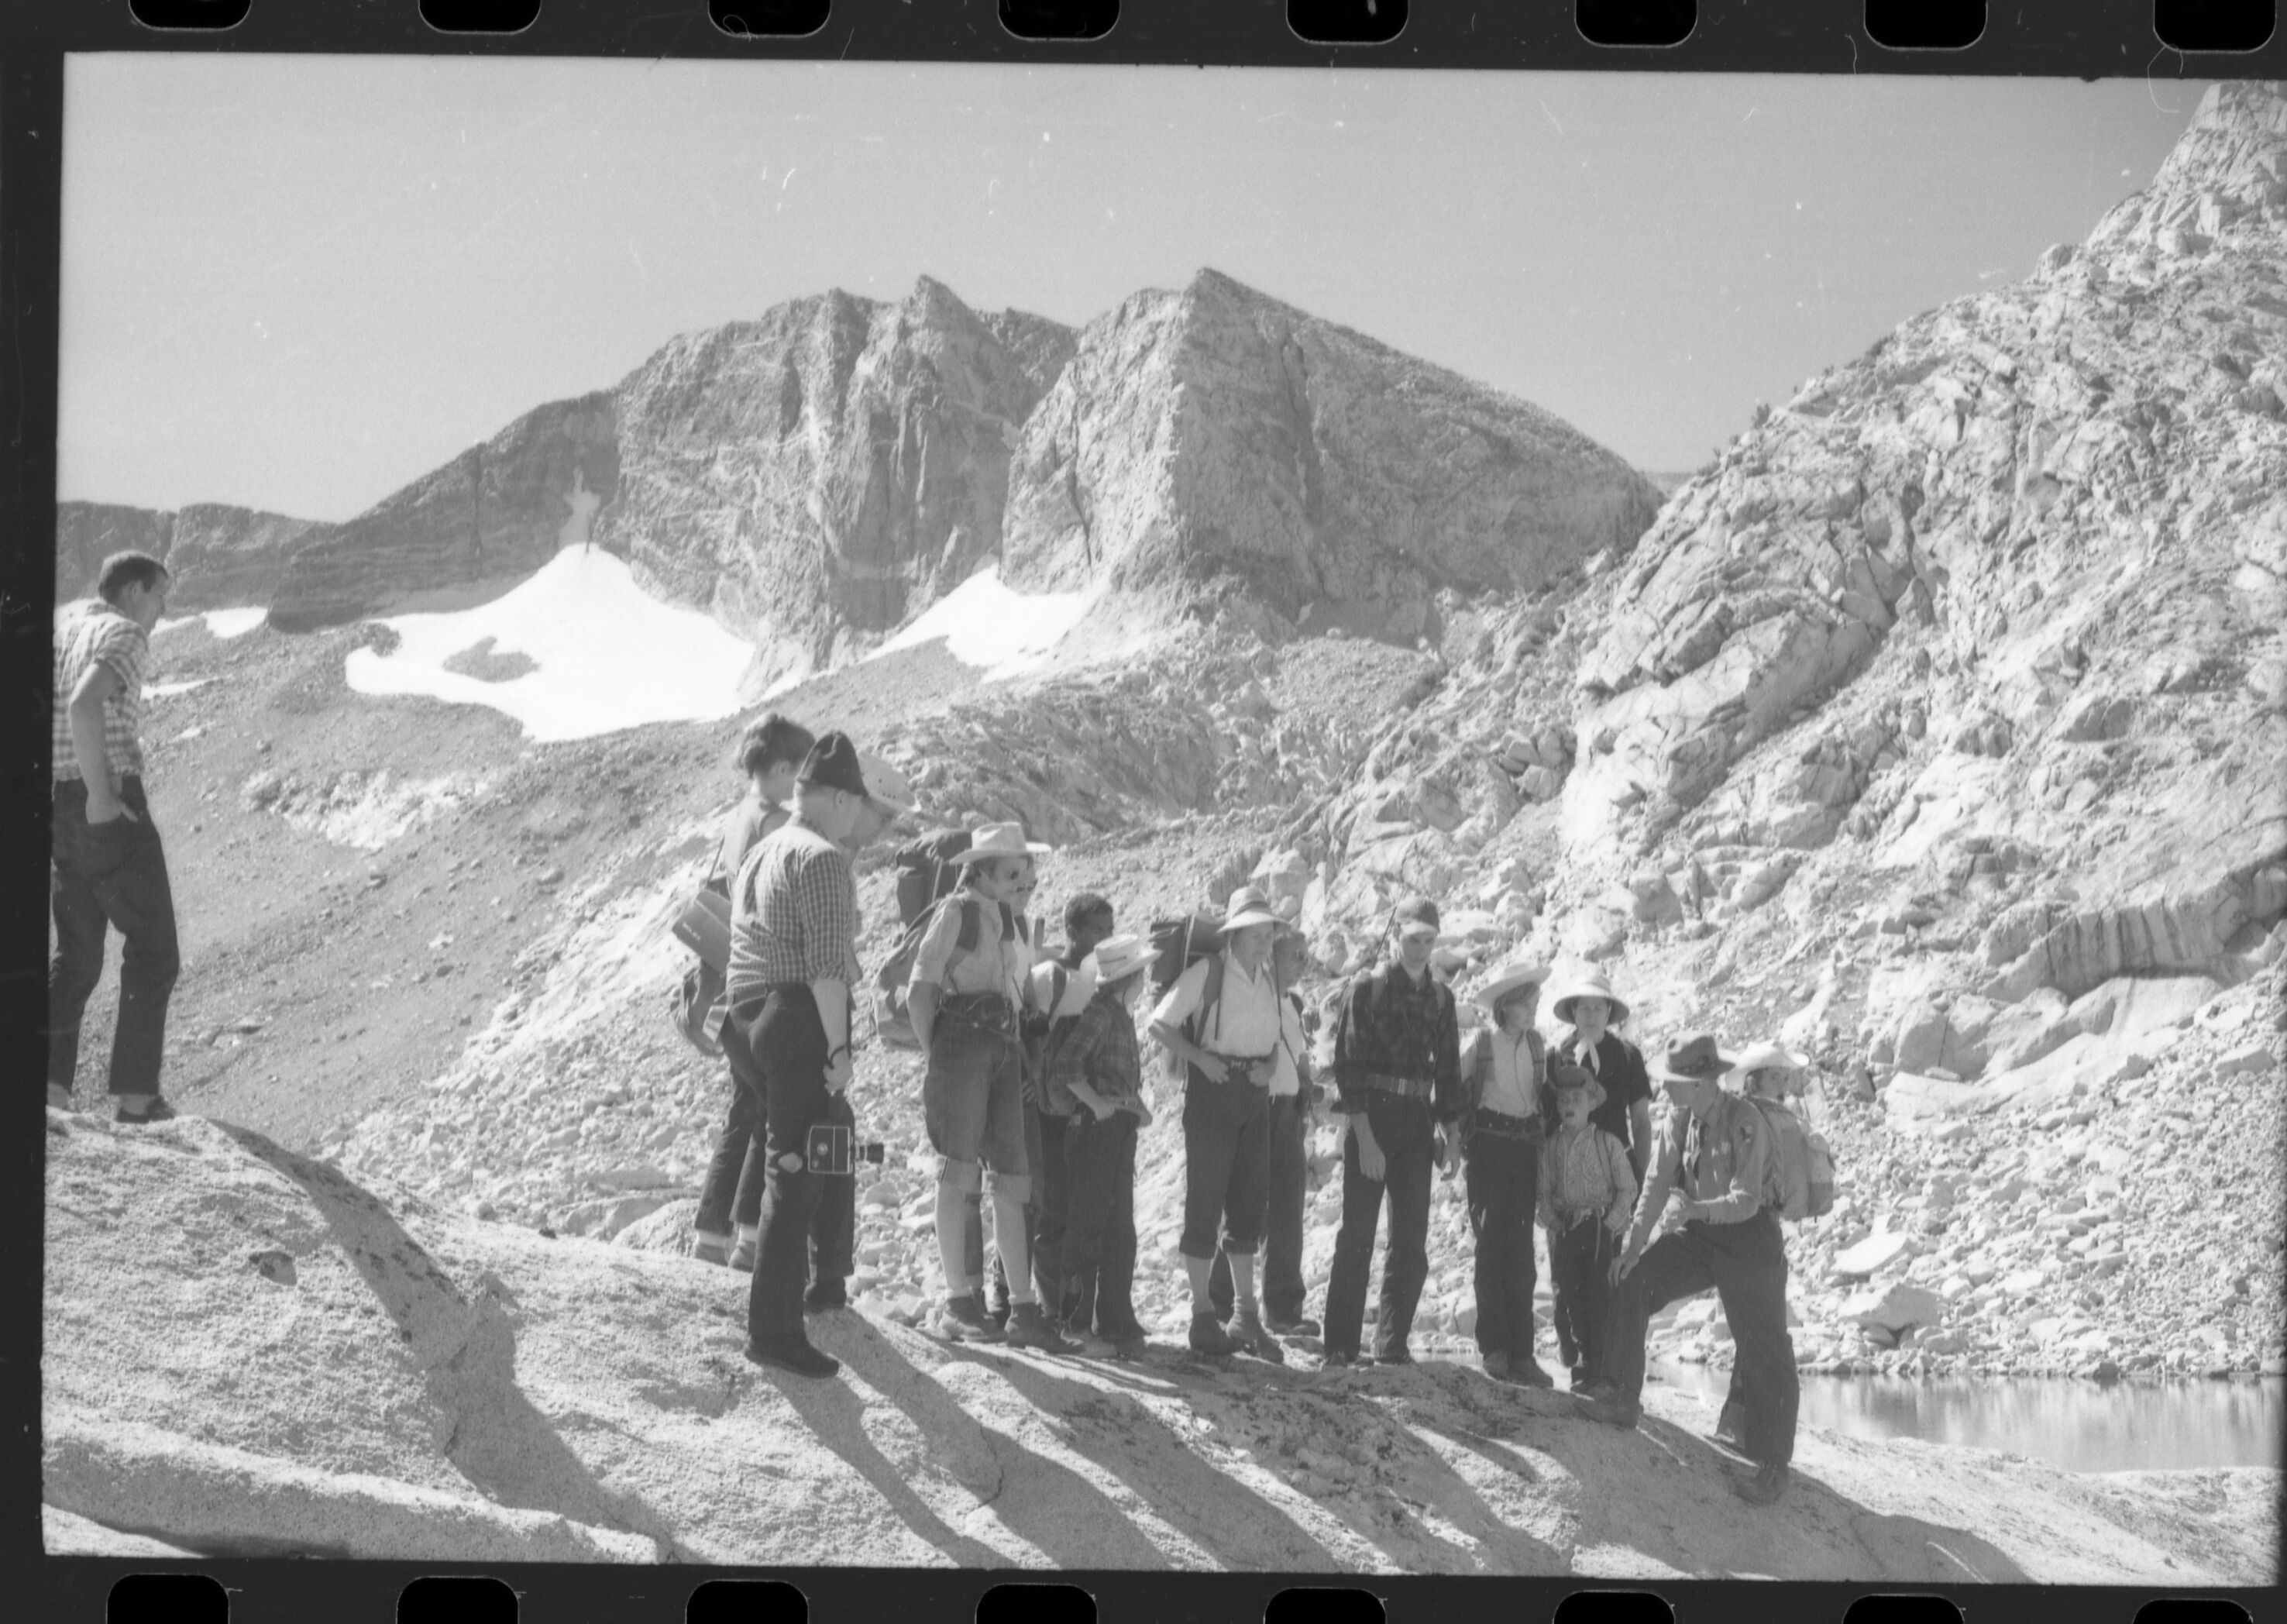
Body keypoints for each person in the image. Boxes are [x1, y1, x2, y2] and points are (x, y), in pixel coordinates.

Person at [724, 732, 904, 1378]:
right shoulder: (822, 857)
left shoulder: (765, 847)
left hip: (746, 1014)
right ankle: (774, 1329)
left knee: (817, 1146)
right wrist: (840, 1048)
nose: (862, 820)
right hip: (795, 1013)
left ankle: (825, 1281)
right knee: (793, 1176)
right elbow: (829, 969)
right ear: (835, 796)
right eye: (858, 804)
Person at [1580, 1034, 1800, 1508]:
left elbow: (1745, 1202)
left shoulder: (1745, 1121)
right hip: (1703, 1229)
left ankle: (1773, 1466)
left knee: (1766, 1348)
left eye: (1674, 1083)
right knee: (1635, 1280)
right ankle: (1621, 1395)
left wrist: (1695, 1211)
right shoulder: (1681, 1117)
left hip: (1751, 1238)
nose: (1665, 1092)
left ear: (1703, 1082)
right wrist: (1634, 1248)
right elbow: (1657, 1182)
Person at [912, 824, 1075, 1351]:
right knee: (958, 1172)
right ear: (981, 871)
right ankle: (959, 1299)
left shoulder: (1010, 919)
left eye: (1023, 872)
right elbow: (921, 989)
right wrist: (937, 1054)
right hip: (963, 1042)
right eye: (1011, 872)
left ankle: (1021, 1308)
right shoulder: (955, 913)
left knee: (1013, 1175)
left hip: (1001, 1045)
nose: (1021, 880)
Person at [50, 552, 181, 1123]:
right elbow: (85, 703)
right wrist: (103, 796)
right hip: (106, 801)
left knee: (77, 955)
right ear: (132, 591)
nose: (161, 612)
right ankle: (135, 1099)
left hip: (58, 810)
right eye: (159, 597)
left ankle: (48, 1090)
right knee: (154, 950)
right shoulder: (124, 633)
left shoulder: (64, 630)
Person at [1150, 885, 1305, 1362]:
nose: (1265, 943)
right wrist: (1199, 1059)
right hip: (1213, 1095)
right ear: (1234, 935)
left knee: (1248, 1208)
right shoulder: (1209, 972)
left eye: (1268, 934)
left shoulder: (1267, 978)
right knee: (1204, 1203)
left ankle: (1244, 1315)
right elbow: (1160, 1024)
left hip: (1253, 1098)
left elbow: (1274, 1039)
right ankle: (1202, 1315)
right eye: (1257, 935)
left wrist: (1270, 1062)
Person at [693, 713, 817, 1268]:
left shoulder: (738, 818)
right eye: (802, 775)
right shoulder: (772, 823)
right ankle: (744, 1236)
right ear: (784, 768)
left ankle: (711, 1234)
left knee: (746, 1103)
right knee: (767, 1103)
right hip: (762, 974)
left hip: (727, 979)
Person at [1319, 897, 1463, 1369]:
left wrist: (1452, 1134)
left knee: (1411, 1240)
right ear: (1396, 935)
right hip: (1372, 1117)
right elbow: (1348, 1066)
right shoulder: (1368, 989)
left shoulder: (1442, 999)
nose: (1421, 948)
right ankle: (1339, 1347)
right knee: (1357, 1234)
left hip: (1417, 1120)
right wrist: (1363, 1135)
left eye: (1429, 939)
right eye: (1413, 938)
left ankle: (1392, 1344)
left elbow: (1448, 1073)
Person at [1044, 931, 1157, 1359]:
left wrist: (1132, 1109)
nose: (1145, 979)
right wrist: (1100, 1107)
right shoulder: (1102, 1014)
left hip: (1113, 1128)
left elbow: (1111, 1078)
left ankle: (1114, 1320)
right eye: (1141, 973)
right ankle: (1075, 1325)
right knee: (1089, 1228)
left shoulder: (1118, 1015)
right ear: (1129, 977)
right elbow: (1069, 1066)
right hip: (1094, 1130)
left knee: (1118, 1229)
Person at [1209, 923, 1322, 1337]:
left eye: (1305, 956)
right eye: (1296, 956)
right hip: (1260, 1109)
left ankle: (1283, 1310)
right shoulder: (1256, 996)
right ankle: (1223, 1304)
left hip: (1289, 1113)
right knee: (1244, 1208)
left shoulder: (1291, 1002)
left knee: (1288, 1213)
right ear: (1272, 955)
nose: (1302, 965)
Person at [1457, 958, 1556, 1387]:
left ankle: (1522, 1353)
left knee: (1521, 1251)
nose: (1533, 1007)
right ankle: (1494, 1348)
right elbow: (1450, 1087)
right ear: (1506, 1006)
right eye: (1526, 1001)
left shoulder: (1538, 1047)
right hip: (1489, 1148)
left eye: (1533, 1000)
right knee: (1490, 1245)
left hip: (1524, 1149)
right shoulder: (1480, 1045)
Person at [1710, 1038, 1810, 1449]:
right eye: (1775, 1076)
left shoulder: (1746, 1116)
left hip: (1744, 1227)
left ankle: (1739, 1426)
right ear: (1755, 1080)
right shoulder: (1784, 1121)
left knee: (1751, 1333)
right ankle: (1756, 1433)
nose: (1783, 1083)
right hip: (1766, 1227)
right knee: (1763, 1332)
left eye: (1783, 1076)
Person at [1537, 1060, 1637, 1391]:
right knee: (1569, 1298)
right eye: (1563, 1100)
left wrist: (1611, 1224)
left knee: (1599, 1299)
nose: (1568, 1106)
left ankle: (1599, 1372)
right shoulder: (1551, 1148)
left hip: (1598, 1228)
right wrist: (1553, 1222)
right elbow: (1544, 1191)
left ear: (1591, 1104)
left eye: (1576, 1100)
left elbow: (1628, 1188)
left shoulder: (1607, 1143)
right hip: (1566, 1229)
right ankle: (1582, 1366)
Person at [1549, 967, 1655, 1183]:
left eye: (1598, 1008)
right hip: (1571, 1172)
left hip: (1619, 1170)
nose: (1592, 1016)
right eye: (1585, 1008)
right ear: (1573, 1011)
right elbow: (1548, 1125)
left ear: (1608, 1012)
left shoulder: (1628, 1055)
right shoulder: (1557, 1058)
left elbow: (1641, 1123)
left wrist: (1640, 1175)